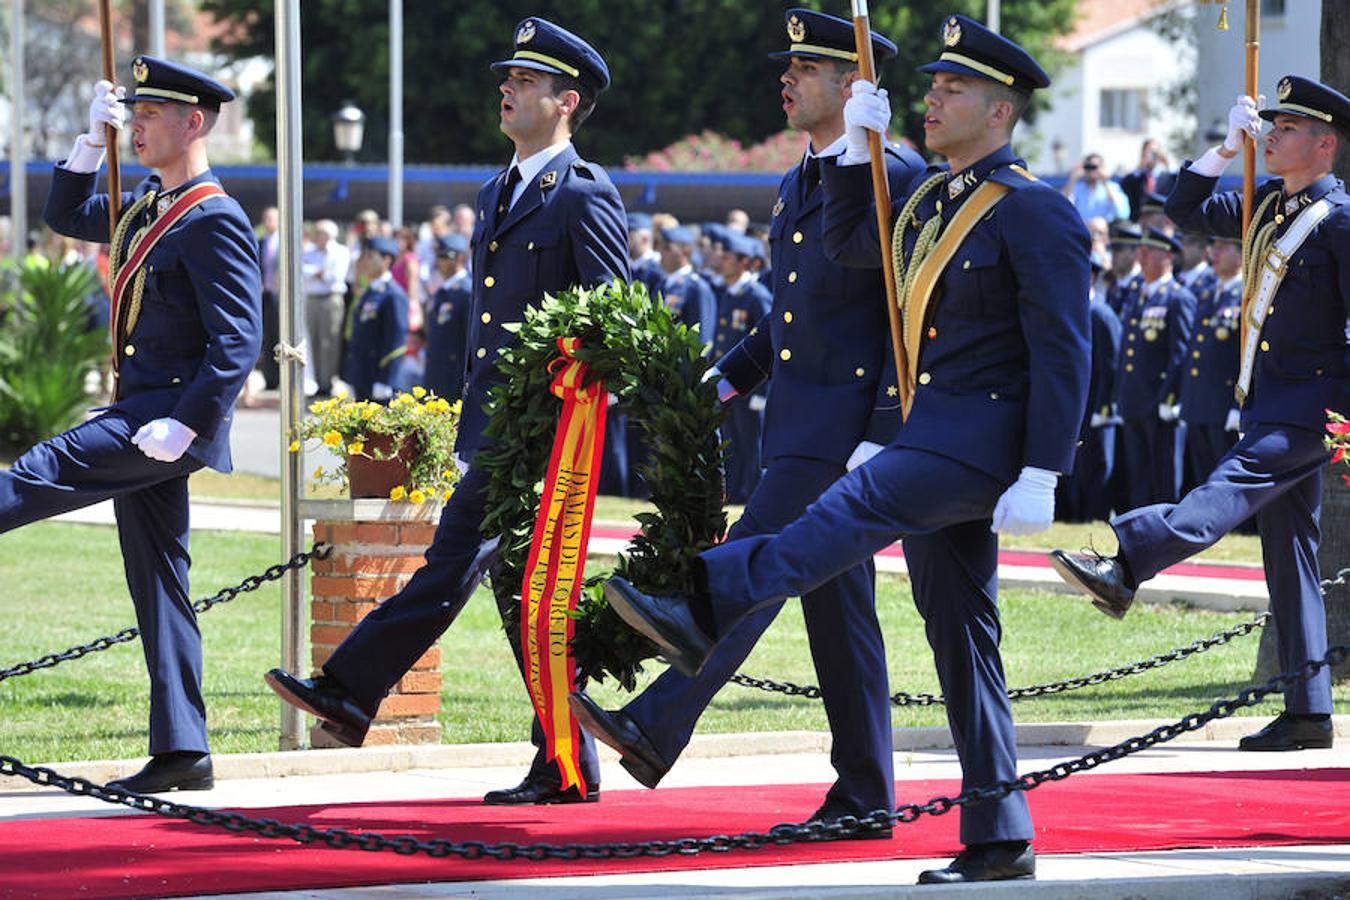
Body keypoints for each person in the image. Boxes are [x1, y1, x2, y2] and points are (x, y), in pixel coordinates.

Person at [597, 14, 1090, 884]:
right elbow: (853, 255)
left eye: (954, 90)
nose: (932, 100)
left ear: (1003, 111)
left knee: (843, 513)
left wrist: (1046, 466)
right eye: (931, 87)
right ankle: (999, 833)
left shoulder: (1037, 211)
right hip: (929, 428)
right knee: (962, 633)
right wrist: (859, 154)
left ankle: (703, 593)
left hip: (973, 443)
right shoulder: (930, 201)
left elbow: (1064, 350)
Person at [570, 6, 924, 832]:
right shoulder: (804, 175)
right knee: (840, 619)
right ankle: (866, 791)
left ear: (855, 82)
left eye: (807, 69)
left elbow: (905, 316)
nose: (787, 79)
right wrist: (724, 380)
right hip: (795, 428)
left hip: (843, 441)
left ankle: (658, 725)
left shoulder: (890, 175)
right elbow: (794, 312)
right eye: (789, 67)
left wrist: (883, 431)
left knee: (747, 566)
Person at [265, 17, 629, 805]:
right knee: (523, 603)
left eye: (526, 82)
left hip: (542, 438)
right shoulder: (497, 189)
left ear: (567, 102)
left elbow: (610, 321)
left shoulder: (583, 194)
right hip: (494, 430)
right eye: (508, 77)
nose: (507, 88)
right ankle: (565, 763)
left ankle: (350, 690)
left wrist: (554, 410)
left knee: (450, 567)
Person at [1049, 76, 1350, 754]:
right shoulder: (1268, 203)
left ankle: (1129, 560)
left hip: (1314, 406)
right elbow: (1182, 211)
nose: (1271, 135)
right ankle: (1308, 709)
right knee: (1291, 553)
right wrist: (1220, 150)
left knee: (1226, 489)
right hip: (1267, 398)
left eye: (1287, 127)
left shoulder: (1339, 220)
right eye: (1269, 125)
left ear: (1324, 143)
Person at [33, 56, 261, 792]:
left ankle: (182, 746)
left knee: (39, 472)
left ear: (193, 122)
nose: (137, 124)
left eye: (150, 114)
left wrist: (187, 427)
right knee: (161, 581)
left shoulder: (212, 216)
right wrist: (87, 147)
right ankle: (183, 750)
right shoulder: (145, 207)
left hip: (159, 422)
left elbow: (237, 343)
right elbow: (64, 216)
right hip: (142, 416)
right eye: (133, 113)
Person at [1114, 226, 1196, 509]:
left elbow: (1180, 353)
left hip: (1160, 401)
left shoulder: (1178, 297)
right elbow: (1127, 352)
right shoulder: (1138, 295)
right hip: (1134, 398)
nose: (1142, 256)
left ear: (1168, 257)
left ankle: (1164, 531)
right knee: (1138, 473)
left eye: (1149, 252)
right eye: (1140, 251)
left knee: (1163, 473)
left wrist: (1171, 397)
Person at [1179, 235, 1244, 488]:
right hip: (1200, 401)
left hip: (1224, 402)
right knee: (1202, 472)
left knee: (1225, 473)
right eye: (1213, 246)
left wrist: (1238, 406)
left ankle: (1241, 527)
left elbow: (1243, 357)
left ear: (1240, 255)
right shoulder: (1207, 294)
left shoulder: (1244, 296)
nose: (1213, 252)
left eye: (1222, 247)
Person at [711, 231, 771, 504]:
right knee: (732, 443)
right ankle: (735, 494)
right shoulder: (729, 294)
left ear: (745, 261)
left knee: (752, 445)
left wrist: (763, 392)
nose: (720, 262)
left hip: (752, 388)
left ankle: (755, 496)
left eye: (727, 258)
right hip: (730, 385)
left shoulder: (756, 295)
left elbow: (771, 343)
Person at [340, 235, 409, 401]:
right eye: (363, 256)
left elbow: (396, 342)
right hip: (363, 375)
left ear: (386, 260)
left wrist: (386, 380)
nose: (364, 261)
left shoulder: (393, 294)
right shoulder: (370, 292)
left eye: (370, 256)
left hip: (379, 379)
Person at [300, 219, 350, 397]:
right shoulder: (309, 251)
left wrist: (317, 273)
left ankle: (327, 381)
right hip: (312, 298)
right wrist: (317, 272)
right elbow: (302, 272)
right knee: (312, 340)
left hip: (331, 298)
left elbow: (335, 277)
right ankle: (315, 381)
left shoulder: (341, 251)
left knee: (329, 341)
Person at [422, 233, 471, 402]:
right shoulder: (444, 291)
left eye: (444, 256)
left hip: (454, 376)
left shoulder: (466, 291)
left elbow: (469, 339)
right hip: (437, 373)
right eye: (438, 256)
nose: (438, 261)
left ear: (459, 258)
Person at [657, 225, 717, 341]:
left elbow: (701, 340)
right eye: (660, 247)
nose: (661, 252)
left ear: (685, 251)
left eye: (667, 248)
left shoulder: (697, 288)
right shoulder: (662, 284)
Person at [1063, 152, 1130, 222]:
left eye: (1093, 167)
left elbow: (1122, 214)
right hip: (1082, 230)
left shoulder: (1113, 188)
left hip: (1104, 230)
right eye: (1087, 167)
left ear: (1102, 168)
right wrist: (1073, 180)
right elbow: (1065, 208)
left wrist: (1105, 183)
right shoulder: (1076, 188)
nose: (1090, 171)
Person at [1120, 138, 1175, 221]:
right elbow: (1126, 185)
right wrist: (1141, 165)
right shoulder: (1137, 176)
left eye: (1156, 152)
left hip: (1161, 220)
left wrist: (1167, 163)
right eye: (1150, 152)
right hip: (1139, 219)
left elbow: (1178, 183)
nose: (1153, 156)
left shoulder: (1166, 176)